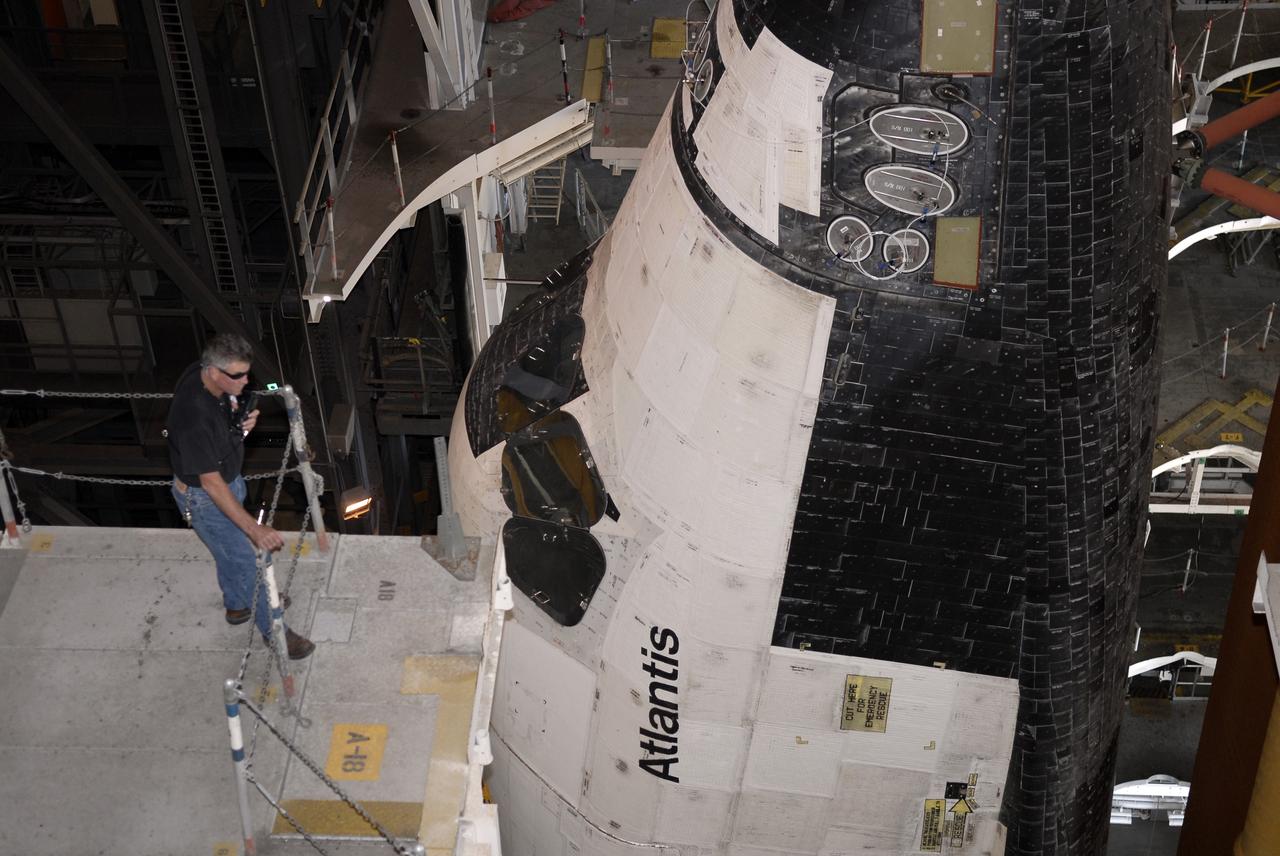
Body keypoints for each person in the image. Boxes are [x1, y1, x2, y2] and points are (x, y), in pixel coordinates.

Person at [166, 333, 315, 660]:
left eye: (247, 374)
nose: (246, 381)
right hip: (205, 500)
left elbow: (229, 416)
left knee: (229, 554)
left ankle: (236, 607)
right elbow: (211, 484)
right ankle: (277, 634)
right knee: (248, 564)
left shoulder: (208, 377)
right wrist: (255, 529)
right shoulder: (192, 419)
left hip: (229, 480)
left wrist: (244, 422)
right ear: (213, 371)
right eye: (238, 376)